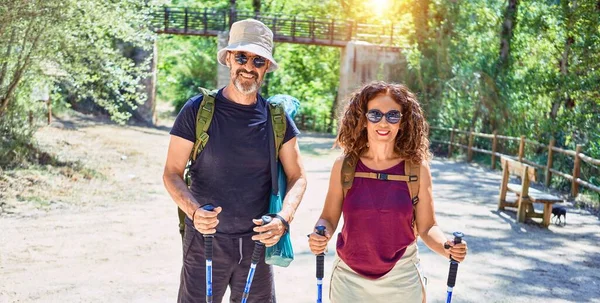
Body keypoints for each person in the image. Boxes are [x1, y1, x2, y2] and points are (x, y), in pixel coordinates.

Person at [163, 19, 307, 303]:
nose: (248, 67)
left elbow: (298, 177)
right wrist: (193, 212)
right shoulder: (197, 111)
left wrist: (283, 219)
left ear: (266, 67)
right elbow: (171, 172)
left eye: (258, 60)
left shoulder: (277, 119)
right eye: (242, 56)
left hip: (257, 244)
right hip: (205, 242)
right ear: (229, 58)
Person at [308, 81, 467, 302]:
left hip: (401, 279)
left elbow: (428, 227)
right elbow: (328, 218)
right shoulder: (345, 166)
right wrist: (320, 233)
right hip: (349, 280)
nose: (384, 122)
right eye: (375, 115)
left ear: (402, 122)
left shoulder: (417, 168)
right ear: (363, 120)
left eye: (393, 115)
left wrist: (446, 247)